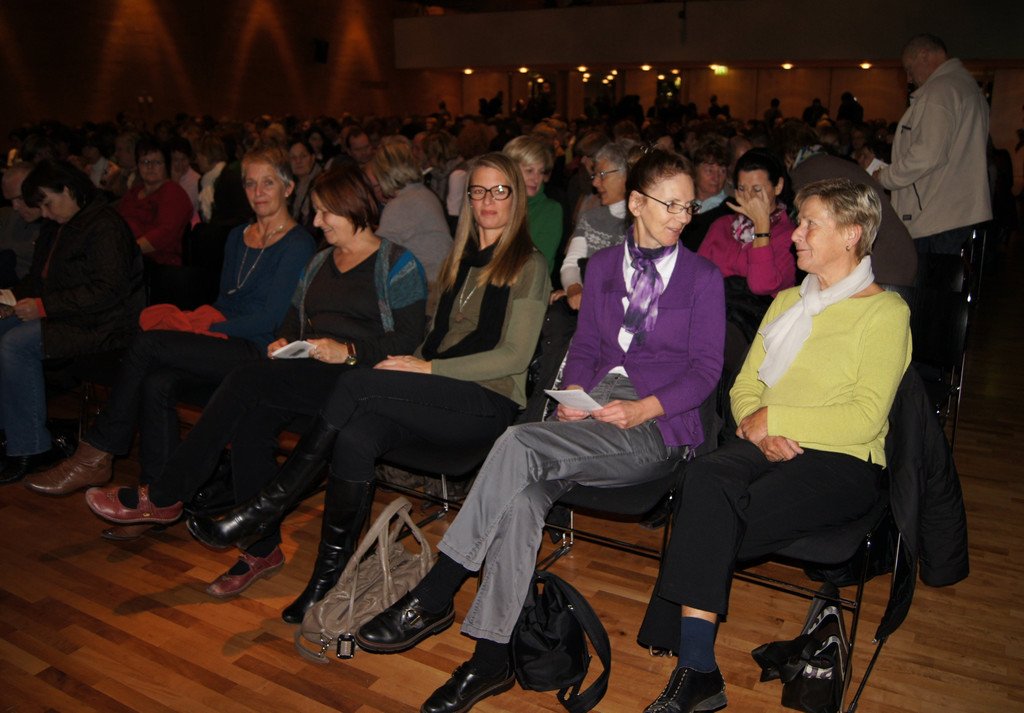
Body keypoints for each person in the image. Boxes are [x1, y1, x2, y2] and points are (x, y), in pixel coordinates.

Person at [352, 149, 725, 713]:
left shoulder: (702, 277)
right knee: (522, 499)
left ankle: (436, 591)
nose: (681, 217)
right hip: (589, 417)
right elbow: (588, 347)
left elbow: (705, 372)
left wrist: (644, 408)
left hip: (656, 427)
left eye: (688, 206)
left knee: (517, 441)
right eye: (669, 204)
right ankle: (489, 660)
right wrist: (571, 396)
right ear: (637, 203)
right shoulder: (603, 268)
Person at [183, 152, 550, 624]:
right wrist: (412, 362)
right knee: (356, 436)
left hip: (487, 401)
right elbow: (433, 338)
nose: (487, 200)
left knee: (356, 382)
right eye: (478, 191)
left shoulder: (529, 264)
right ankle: (327, 580)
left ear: (516, 198)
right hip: (441, 393)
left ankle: (266, 505)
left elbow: (514, 358)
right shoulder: (459, 262)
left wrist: (425, 368)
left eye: (500, 190)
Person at [83, 165, 426, 594]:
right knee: (251, 424)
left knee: (245, 381)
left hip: (359, 381)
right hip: (309, 371)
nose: (317, 221)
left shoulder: (397, 263)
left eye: (325, 212)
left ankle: (166, 494)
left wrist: (349, 351)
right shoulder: (319, 262)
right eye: (316, 212)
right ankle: (261, 548)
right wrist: (285, 341)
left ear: (353, 207)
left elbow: (409, 337)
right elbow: (293, 321)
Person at [636, 177, 911, 713]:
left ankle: (694, 663)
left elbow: (864, 418)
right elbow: (744, 387)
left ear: (852, 234)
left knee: (713, 515)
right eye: (799, 222)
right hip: (764, 440)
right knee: (703, 478)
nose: (795, 235)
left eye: (810, 225)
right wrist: (759, 425)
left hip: (844, 460)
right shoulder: (788, 300)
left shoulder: (885, 313)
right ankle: (698, 669)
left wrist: (776, 418)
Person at [25, 146, 315, 506]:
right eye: (250, 183)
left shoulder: (298, 243)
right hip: (224, 339)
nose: (258, 192)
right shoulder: (238, 236)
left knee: (148, 344)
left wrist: (202, 329)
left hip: (259, 349)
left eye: (268, 183)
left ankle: (97, 451)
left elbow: (271, 319)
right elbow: (224, 302)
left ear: (288, 187)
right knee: (157, 381)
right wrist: (198, 321)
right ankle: (157, 498)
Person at [0, 161, 144, 483]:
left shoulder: (105, 226)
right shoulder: (60, 224)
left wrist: (43, 306)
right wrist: (9, 299)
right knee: (3, 330)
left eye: (48, 204)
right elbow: (39, 280)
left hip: (104, 326)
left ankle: (30, 447)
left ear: (68, 190)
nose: (45, 213)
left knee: (15, 345)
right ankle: (10, 432)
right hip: (69, 317)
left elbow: (107, 290)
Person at [873, 34, 992, 255]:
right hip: (957, 211)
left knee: (927, 277)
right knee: (949, 275)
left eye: (909, 69)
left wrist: (884, 177)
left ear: (924, 55)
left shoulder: (940, 91)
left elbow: (927, 155)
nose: (909, 78)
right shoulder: (967, 86)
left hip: (936, 216)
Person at [772, 119, 917, 286]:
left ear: (786, 155)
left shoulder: (805, 173)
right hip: (897, 254)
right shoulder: (829, 162)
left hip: (879, 264)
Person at [698, 148, 796, 373]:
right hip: (711, 316)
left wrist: (762, 228)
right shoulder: (722, 225)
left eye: (757, 190)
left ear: (778, 186)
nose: (749, 197)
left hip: (754, 330)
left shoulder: (790, 235)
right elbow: (696, 279)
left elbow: (761, 286)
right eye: (742, 189)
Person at [372, 137, 453, 311]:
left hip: (428, 287)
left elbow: (377, 254)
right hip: (442, 280)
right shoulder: (422, 193)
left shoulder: (401, 204)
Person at [553, 139, 633, 310]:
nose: (595, 183)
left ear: (627, 175)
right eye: (595, 175)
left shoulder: (647, 224)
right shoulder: (592, 217)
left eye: (602, 175)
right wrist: (574, 288)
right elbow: (571, 263)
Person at [116, 135, 193, 265]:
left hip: (156, 262)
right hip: (126, 257)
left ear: (166, 165)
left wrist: (128, 250)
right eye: (145, 162)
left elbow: (164, 234)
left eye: (157, 162)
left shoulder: (173, 193)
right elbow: (116, 223)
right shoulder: (133, 192)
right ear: (138, 165)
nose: (150, 167)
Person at [502, 135, 563, 275]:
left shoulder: (550, 210)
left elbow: (539, 266)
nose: (536, 179)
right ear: (511, 170)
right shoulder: (496, 202)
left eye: (541, 172)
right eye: (529, 170)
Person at [681, 137, 732, 252]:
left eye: (722, 171)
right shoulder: (682, 206)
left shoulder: (731, 210)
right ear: (694, 171)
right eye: (709, 170)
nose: (716, 177)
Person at [0, 163, 42, 286]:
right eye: (11, 200)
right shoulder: (10, 217)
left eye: (20, 198)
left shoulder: (56, 228)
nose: (15, 207)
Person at [288, 138, 323, 235]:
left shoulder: (322, 185)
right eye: (293, 158)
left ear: (313, 158)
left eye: (303, 156)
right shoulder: (288, 187)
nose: (298, 161)